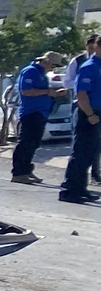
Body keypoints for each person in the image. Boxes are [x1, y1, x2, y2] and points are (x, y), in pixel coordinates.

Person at [10, 51, 65, 185]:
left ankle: (26, 169)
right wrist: (48, 92)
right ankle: (18, 172)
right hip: (30, 113)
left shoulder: (42, 74)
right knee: (25, 143)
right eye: (53, 65)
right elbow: (26, 91)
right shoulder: (30, 72)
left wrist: (54, 94)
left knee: (34, 143)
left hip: (41, 112)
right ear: (46, 62)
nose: (53, 69)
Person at [61, 49, 100, 204]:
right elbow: (81, 94)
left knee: (90, 154)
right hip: (87, 113)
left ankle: (81, 189)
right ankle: (69, 190)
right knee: (81, 153)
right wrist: (90, 114)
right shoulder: (89, 66)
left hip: (96, 114)